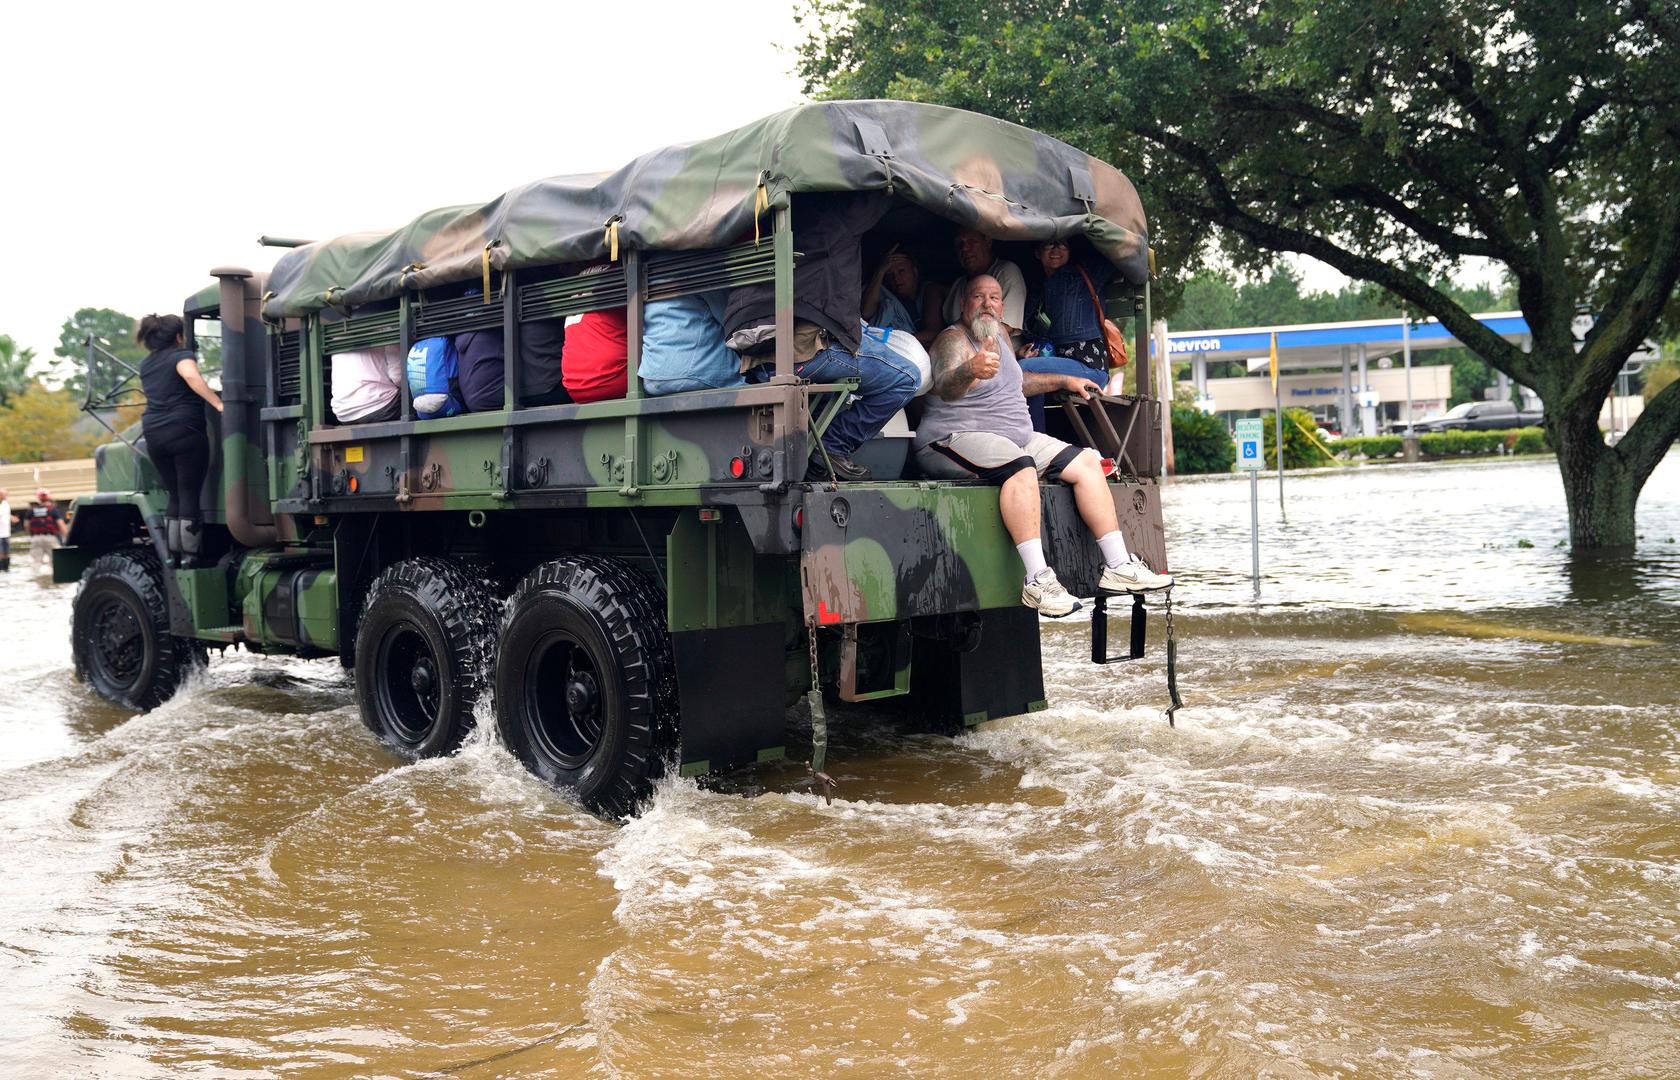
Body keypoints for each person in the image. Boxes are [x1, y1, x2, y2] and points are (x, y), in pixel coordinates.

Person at [914, 276, 1172, 617]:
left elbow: (1019, 383)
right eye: (978, 297)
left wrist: (1065, 380)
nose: (988, 303)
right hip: (953, 438)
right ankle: (1037, 580)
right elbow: (945, 384)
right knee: (1021, 467)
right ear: (963, 304)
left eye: (995, 297)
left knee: (1086, 463)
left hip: (1013, 437)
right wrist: (969, 369)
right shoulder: (952, 339)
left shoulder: (1000, 336)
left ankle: (1118, 566)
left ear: (1002, 307)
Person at [724, 192, 920, 481]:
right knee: (907, 378)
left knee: (833, 386)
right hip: (805, 351)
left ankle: (815, 450)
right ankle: (832, 445)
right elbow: (881, 190)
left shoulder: (762, 221)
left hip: (757, 363)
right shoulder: (836, 213)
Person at [137, 313, 223, 567]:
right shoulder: (181, 355)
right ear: (178, 336)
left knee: (174, 493)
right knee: (189, 492)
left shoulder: (146, 364)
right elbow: (190, 376)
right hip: (184, 429)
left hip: (153, 433)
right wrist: (218, 403)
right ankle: (190, 556)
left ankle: (174, 555)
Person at [640, 290, 745, 396]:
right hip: (697, 374)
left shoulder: (643, 284)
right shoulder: (700, 280)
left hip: (652, 377)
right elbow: (731, 317)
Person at [940, 227, 1027, 337]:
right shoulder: (960, 283)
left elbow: (1007, 328)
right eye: (959, 243)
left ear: (988, 242)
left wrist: (957, 338)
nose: (964, 248)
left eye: (972, 241)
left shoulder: (1006, 271)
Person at [863, 247, 944, 346]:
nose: (896, 278)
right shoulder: (889, 297)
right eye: (890, 275)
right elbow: (866, 313)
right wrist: (880, 272)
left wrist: (895, 340)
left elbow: (933, 333)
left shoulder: (929, 290)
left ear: (915, 272)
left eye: (901, 271)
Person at [330, 344, 404, 423]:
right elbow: (398, 378)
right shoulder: (387, 336)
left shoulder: (334, 339)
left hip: (344, 413)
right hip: (379, 405)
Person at [26, 489, 68, 574]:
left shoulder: (31, 511)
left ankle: (36, 578)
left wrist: (32, 535)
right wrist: (67, 537)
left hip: (36, 538)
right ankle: (57, 577)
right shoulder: (53, 510)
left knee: (36, 562)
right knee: (56, 561)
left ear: (38, 498)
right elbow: (61, 525)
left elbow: (26, 525)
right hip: (51, 538)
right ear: (49, 497)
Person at [0, 488, 11, 572]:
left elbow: (6, 514)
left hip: (6, 533)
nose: (6, 496)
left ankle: (6, 569)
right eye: (4, 494)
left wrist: (11, 517)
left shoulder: (6, 504)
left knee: (6, 552)